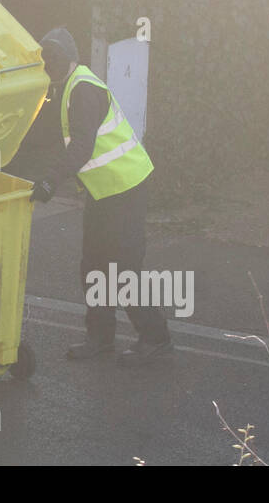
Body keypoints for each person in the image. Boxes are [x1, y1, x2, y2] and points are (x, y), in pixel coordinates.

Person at [30, 27, 173, 364]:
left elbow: (81, 146)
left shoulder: (83, 90)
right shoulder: (66, 88)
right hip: (105, 191)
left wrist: (50, 182)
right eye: (44, 58)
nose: (47, 64)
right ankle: (100, 338)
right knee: (95, 266)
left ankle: (156, 337)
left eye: (52, 57)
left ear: (67, 59)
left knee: (124, 268)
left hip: (126, 187)